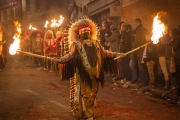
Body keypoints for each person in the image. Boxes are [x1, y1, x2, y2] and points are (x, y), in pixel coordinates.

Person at [53, 17, 125, 120]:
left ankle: (87, 112)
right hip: (83, 74)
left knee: (93, 95)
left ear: (90, 32)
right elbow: (70, 56)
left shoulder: (96, 44)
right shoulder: (77, 45)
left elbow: (105, 53)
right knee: (85, 94)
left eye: (88, 32)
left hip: (95, 73)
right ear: (79, 34)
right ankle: (88, 115)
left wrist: (118, 54)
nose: (86, 34)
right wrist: (59, 60)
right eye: (84, 32)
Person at [130, 18, 149, 87]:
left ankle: (144, 81)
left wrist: (137, 46)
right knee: (139, 66)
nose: (134, 25)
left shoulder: (143, 30)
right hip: (137, 51)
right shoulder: (136, 31)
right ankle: (140, 80)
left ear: (138, 23)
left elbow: (143, 41)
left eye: (134, 24)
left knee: (142, 66)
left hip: (141, 51)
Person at [170, 28, 180, 95]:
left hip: (178, 59)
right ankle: (176, 88)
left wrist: (171, 41)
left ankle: (177, 89)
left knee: (177, 74)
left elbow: (174, 47)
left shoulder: (178, 38)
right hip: (177, 59)